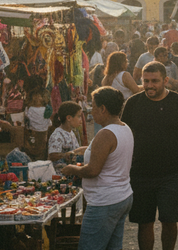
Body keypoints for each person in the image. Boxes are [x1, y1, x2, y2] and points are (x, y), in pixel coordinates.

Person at [122, 62, 178, 250]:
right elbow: (123, 137)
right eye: (145, 81)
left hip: (171, 174)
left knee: (170, 221)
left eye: (154, 81)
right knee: (144, 222)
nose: (149, 85)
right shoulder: (133, 103)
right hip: (140, 173)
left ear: (165, 80)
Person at [61, 87, 134, 250]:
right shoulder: (124, 128)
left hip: (105, 201)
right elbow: (110, 152)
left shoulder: (106, 133)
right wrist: (86, 150)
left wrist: (72, 169)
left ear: (103, 109)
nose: (90, 112)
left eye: (93, 107)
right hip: (121, 196)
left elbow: (93, 171)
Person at [49, 101, 88, 168]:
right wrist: (65, 155)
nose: (81, 120)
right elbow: (52, 155)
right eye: (79, 116)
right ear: (69, 118)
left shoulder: (71, 132)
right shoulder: (57, 135)